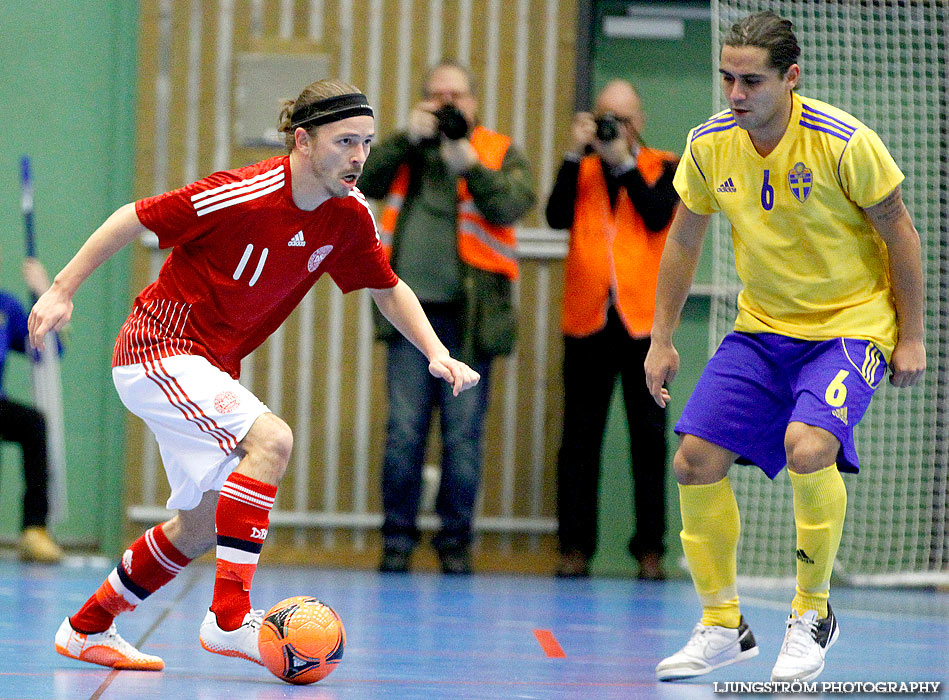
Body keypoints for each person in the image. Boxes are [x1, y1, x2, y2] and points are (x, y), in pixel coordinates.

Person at [29, 78, 480, 672]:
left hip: (203, 364)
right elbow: (131, 217)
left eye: (366, 142)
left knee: (197, 527)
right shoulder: (244, 192)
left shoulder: (350, 216)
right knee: (273, 439)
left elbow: (387, 288)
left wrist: (435, 351)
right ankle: (227, 620)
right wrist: (62, 290)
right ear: (302, 140)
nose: (358, 156)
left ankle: (86, 629)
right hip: (157, 348)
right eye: (345, 141)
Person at [644, 11, 926, 683]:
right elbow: (683, 239)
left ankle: (811, 613)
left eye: (751, 81)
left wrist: (909, 334)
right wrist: (660, 338)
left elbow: (900, 231)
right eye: (726, 78)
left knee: (808, 445)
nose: (735, 94)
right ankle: (720, 623)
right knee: (692, 461)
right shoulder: (709, 143)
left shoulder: (842, 141)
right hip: (763, 327)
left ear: (790, 78)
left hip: (848, 325)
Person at [358, 60, 535, 575]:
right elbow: (363, 179)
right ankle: (396, 543)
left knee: (462, 437)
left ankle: (455, 545)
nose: (447, 105)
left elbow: (513, 204)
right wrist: (401, 139)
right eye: (436, 96)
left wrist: (469, 165)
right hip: (409, 321)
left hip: (471, 321)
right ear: (422, 103)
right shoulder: (406, 148)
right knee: (404, 432)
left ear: (474, 103)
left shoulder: (496, 151)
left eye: (456, 95)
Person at [545, 79, 678, 580]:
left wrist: (621, 160)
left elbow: (656, 213)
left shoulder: (663, 165)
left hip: (646, 326)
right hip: (587, 320)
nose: (610, 127)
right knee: (578, 442)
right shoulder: (582, 166)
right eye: (603, 116)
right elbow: (556, 215)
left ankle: (650, 552)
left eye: (620, 119)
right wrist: (572, 155)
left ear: (638, 122)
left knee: (648, 439)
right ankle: (574, 549)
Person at [0, 256, 64, 563]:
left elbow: (46, 352)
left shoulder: (6, 307)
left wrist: (44, 295)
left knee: (33, 424)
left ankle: (34, 529)